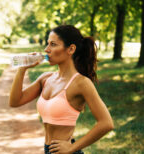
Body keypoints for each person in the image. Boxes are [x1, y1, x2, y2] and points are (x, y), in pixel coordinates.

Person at [8, 25, 114, 154]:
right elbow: (15, 101)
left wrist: (71, 148)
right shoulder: (46, 79)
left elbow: (106, 123)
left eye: (53, 44)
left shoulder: (81, 83)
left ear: (70, 49)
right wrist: (22, 68)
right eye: (47, 44)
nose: (47, 50)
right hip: (48, 150)